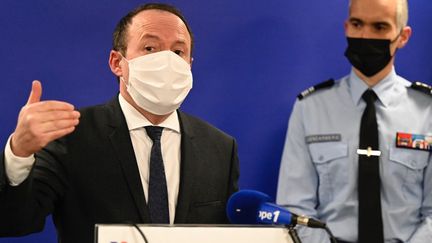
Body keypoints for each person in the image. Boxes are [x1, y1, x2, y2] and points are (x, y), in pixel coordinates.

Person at [0, 3, 239, 243]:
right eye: (150, 48)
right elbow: (14, 222)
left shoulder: (219, 148)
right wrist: (19, 153)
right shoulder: (72, 137)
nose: (167, 61)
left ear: (189, 64)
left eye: (178, 52)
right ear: (117, 62)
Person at [276, 0, 432, 242]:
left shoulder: (427, 110)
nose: (365, 35)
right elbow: (294, 207)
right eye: (358, 24)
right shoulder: (311, 108)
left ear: (403, 36)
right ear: (346, 27)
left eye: (380, 27)